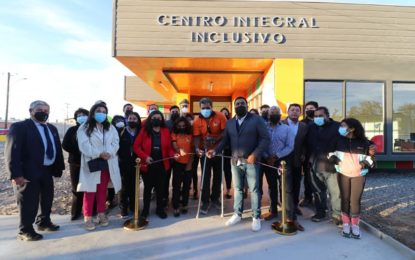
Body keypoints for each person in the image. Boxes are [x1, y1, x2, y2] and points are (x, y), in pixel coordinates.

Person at [5, 100, 65, 241]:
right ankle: (25, 230)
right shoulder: (20, 127)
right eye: (39, 109)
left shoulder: (52, 128)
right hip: (27, 172)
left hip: (47, 170)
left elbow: (57, 149)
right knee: (28, 202)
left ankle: (44, 222)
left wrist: (58, 168)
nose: (43, 113)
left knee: (47, 198)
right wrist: (16, 174)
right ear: (31, 111)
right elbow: (12, 151)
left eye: (46, 110)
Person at [209, 97, 269, 231]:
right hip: (235, 161)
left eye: (242, 103)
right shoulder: (230, 123)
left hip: (251, 161)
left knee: (254, 190)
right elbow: (225, 140)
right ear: (234, 107)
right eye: (237, 104)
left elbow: (265, 139)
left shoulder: (256, 120)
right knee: (238, 189)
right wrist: (215, 151)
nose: (240, 105)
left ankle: (256, 216)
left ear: (247, 106)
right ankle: (237, 214)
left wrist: (255, 154)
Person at [77, 102, 121, 231]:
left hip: (107, 162)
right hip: (93, 162)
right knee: (90, 190)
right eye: (98, 111)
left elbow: (115, 142)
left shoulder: (110, 128)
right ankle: (88, 217)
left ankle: (101, 214)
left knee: (102, 190)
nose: (101, 113)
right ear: (92, 112)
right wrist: (98, 154)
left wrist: (110, 152)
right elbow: (84, 145)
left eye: (103, 111)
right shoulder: (84, 127)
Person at [329, 118, 375, 238]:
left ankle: (355, 225)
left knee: (355, 201)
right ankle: (346, 224)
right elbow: (330, 153)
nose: (341, 128)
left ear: (352, 128)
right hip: (343, 174)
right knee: (344, 199)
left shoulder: (364, 142)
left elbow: (372, 158)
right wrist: (335, 160)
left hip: (358, 175)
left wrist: (363, 164)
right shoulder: (337, 140)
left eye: (343, 126)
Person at [261, 107, 303, 231]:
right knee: (272, 187)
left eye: (276, 113)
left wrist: (276, 156)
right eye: (271, 113)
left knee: (286, 189)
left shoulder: (287, 129)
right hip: (267, 160)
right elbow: (261, 143)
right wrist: (266, 156)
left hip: (283, 161)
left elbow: (290, 146)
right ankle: (273, 211)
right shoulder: (263, 128)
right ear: (268, 115)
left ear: (280, 115)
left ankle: (291, 217)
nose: (274, 115)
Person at [133, 110, 178, 219]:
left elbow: (169, 149)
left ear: (162, 120)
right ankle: (145, 210)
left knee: (160, 189)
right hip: (148, 164)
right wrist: (145, 157)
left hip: (162, 165)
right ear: (150, 119)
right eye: (154, 117)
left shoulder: (166, 131)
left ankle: (160, 209)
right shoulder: (144, 131)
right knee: (147, 189)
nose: (156, 119)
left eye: (159, 118)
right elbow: (136, 147)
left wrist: (174, 155)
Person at [306, 106, 342, 224]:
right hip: (314, 164)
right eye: (315, 116)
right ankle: (321, 212)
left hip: (331, 166)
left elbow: (353, 137)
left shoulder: (338, 127)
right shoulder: (311, 127)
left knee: (335, 192)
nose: (318, 118)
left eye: (320, 116)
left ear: (327, 115)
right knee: (318, 191)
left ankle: (337, 215)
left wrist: (370, 144)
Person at [193, 97, 227, 214]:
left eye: (208, 107)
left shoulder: (220, 116)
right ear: (200, 108)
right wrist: (197, 148)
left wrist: (216, 145)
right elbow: (197, 137)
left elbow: (224, 133)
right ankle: (205, 201)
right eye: (203, 108)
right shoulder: (197, 121)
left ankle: (215, 198)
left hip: (218, 151)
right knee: (205, 177)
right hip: (205, 152)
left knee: (218, 177)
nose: (206, 110)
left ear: (212, 107)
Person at [62, 107, 89, 221]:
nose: (81, 117)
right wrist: (79, 151)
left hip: (89, 162)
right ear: (76, 118)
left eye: (84, 114)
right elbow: (65, 144)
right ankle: (76, 212)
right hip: (76, 163)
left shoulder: (90, 129)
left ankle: (89, 211)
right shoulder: (72, 130)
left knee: (89, 187)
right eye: (79, 115)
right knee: (76, 188)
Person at [282, 103, 308, 216]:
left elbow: (306, 143)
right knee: (285, 185)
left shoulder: (303, 126)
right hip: (283, 160)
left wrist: (303, 153)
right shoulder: (281, 124)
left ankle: (295, 206)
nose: (294, 112)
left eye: (297, 110)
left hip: (298, 160)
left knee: (297, 184)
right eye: (292, 110)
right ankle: (285, 207)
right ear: (288, 112)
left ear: (300, 113)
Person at [118, 112, 141, 218]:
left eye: (134, 118)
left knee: (134, 186)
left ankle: (133, 206)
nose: (132, 120)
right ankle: (124, 208)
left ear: (138, 120)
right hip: (124, 163)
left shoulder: (140, 132)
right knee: (125, 186)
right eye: (130, 118)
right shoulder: (121, 131)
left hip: (136, 162)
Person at [171, 117, 194, 217]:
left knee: (186, 185)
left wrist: (189, 164)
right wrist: (179, 150)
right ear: (176, 126)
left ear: (187, 126)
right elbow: (174, 145)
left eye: (183, 126)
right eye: (179, 126)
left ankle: (185, 204)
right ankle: (175, 206)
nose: (182, 127)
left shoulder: (190, 135)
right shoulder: (174, 134)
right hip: (177, 163)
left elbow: (193, 149)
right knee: (176, 186)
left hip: (188, 163)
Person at [299, 101, 319, 208]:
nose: (309, 110)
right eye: (307, 109)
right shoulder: (302, 123)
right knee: (307, 178)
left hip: (320, 155)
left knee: (320, 178)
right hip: (307, 155)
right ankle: (308, 198)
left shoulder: (321, 121)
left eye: (311, 108)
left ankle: (320, 199)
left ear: (317, 109)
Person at [220, 107, 232, 199]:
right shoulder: (218, 123)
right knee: (219, 171)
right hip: (219, 150)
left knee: (227, 171)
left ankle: (228, 190)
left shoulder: (231, 123)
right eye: (222, 113)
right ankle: (219, 189)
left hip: (228, 150)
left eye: (226, 113)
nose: (224, 114)